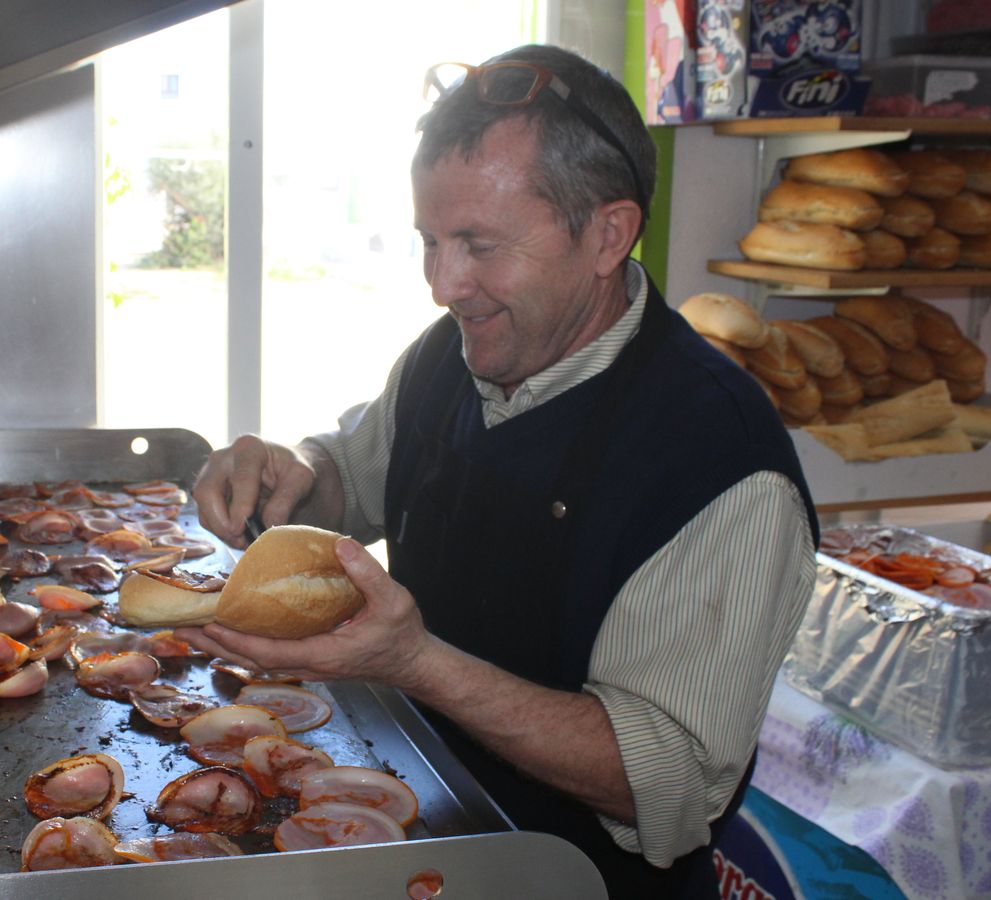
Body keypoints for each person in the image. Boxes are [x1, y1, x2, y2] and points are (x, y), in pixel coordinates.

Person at [180, 43, 819, 898]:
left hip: (570, 879)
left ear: (607, 233)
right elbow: (350, 482)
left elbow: (665, 783)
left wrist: (414, 663)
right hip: (423, 832)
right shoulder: (452, 354)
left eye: (479, 245)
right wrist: (287, 472)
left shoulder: (721, 463)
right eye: (431, 241)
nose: (445, 285)